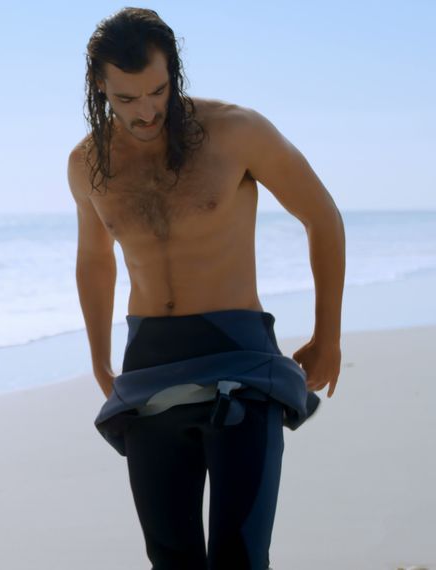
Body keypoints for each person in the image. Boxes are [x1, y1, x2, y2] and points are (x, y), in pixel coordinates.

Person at [68, 8, 345, 569]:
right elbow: (96, 260)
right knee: (171, 560)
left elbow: (323, 217)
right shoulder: (88, 163)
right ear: (101, 86)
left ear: (175, 72)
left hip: (239, 357)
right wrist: (99, 357)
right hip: (148, 364)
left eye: (158, 91)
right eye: (126, 99)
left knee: (240, 558)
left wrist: (328, 334)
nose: (145, 111)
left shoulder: (236, 131)